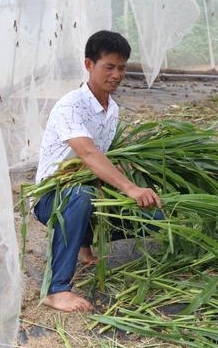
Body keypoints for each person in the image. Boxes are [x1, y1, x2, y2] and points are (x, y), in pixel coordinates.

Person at [33, 30, 162, 312]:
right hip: (51, 199)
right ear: (89, 65)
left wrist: (136, 181)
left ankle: (82, 246)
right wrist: (129, 188)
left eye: (122, 68)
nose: (116, 74)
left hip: (86, 190)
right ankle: (57, 290)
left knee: (155, 216)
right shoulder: (70, 106)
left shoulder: (111, 109)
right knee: (80, 195)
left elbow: (101, 162)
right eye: (109, 67)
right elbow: (89, 154)